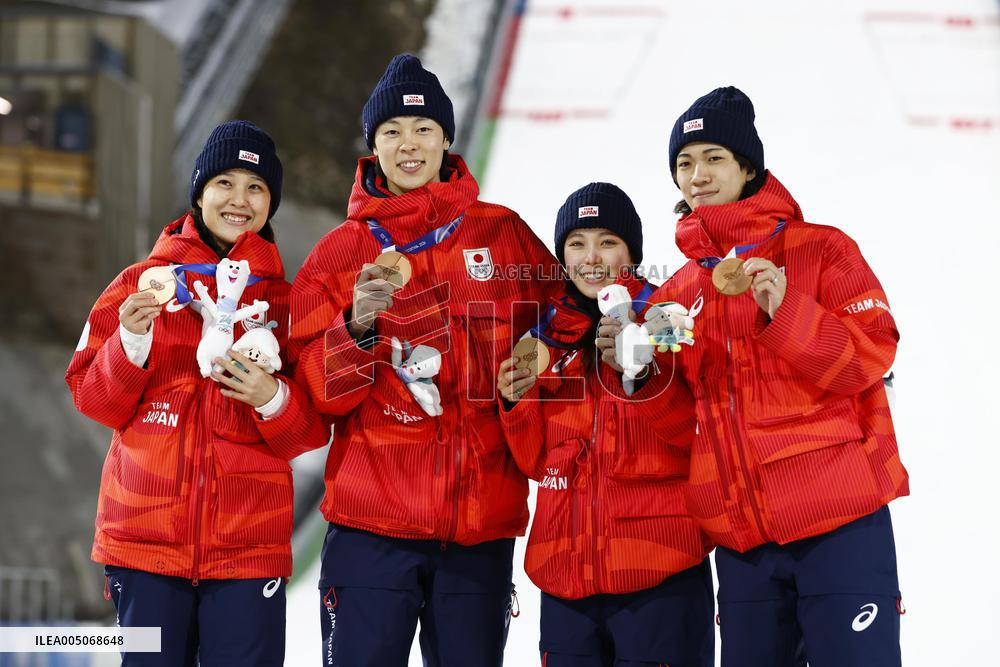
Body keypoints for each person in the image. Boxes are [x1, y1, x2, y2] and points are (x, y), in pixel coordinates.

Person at [288, 54, 561, 666]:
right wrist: (355, 324)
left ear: (446, 139)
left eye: (422, 129)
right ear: (373, 146)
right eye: (392, 132)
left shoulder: (502, 235)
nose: (408, 145)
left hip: (479, 529)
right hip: (371, 529)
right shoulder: (341, 252)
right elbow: (317, 394)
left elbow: (567, 308)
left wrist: (539, 347)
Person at [650, 86, 909, 666]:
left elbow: (872, 357)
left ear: (748, 167)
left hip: (838, 527)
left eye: (714, 158)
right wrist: (637, 372)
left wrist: (787, 310)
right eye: (684, 163)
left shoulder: (823, 249)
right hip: (742, 544)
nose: (697, 174)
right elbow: (674, 418)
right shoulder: (676, 294)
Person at [65, 120, 328, 666]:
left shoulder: (288, 304)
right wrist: (131, 341)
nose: (239, 200)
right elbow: (95, 401)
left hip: (248, 551)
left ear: (271, 202)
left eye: (256, 187)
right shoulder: (137, 284)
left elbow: (308, 433)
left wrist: (270, 398)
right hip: (144, 542)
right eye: (224, 183)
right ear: (199, 192)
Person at [496, 182, 714, 667]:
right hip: (565, 579)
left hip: (660, 574)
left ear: (632, 252)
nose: (591, 257)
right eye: (576, 243)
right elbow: (535, 461)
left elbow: (696, 438)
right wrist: (517, 403)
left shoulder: (668, 316)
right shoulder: (546, 334)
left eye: (607, 241)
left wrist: (641, 375)